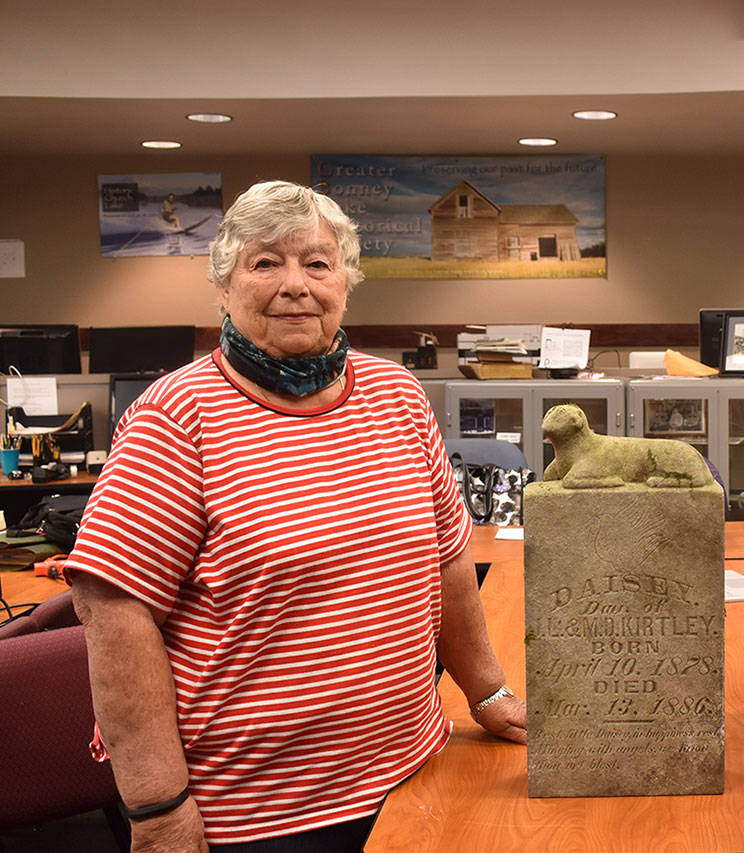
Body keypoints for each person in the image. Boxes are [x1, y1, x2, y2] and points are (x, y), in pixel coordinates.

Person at [69, 180, 526, 852]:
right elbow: (114, 612)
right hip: (259, 814)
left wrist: (487, 692)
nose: (295, 284)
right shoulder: (175, 417)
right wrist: (157, 806)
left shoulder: (397, 396)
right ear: (223, 287)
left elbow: (448, 558)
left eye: (317, 262)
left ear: (346, 282)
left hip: (415, 774)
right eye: (264, 263)